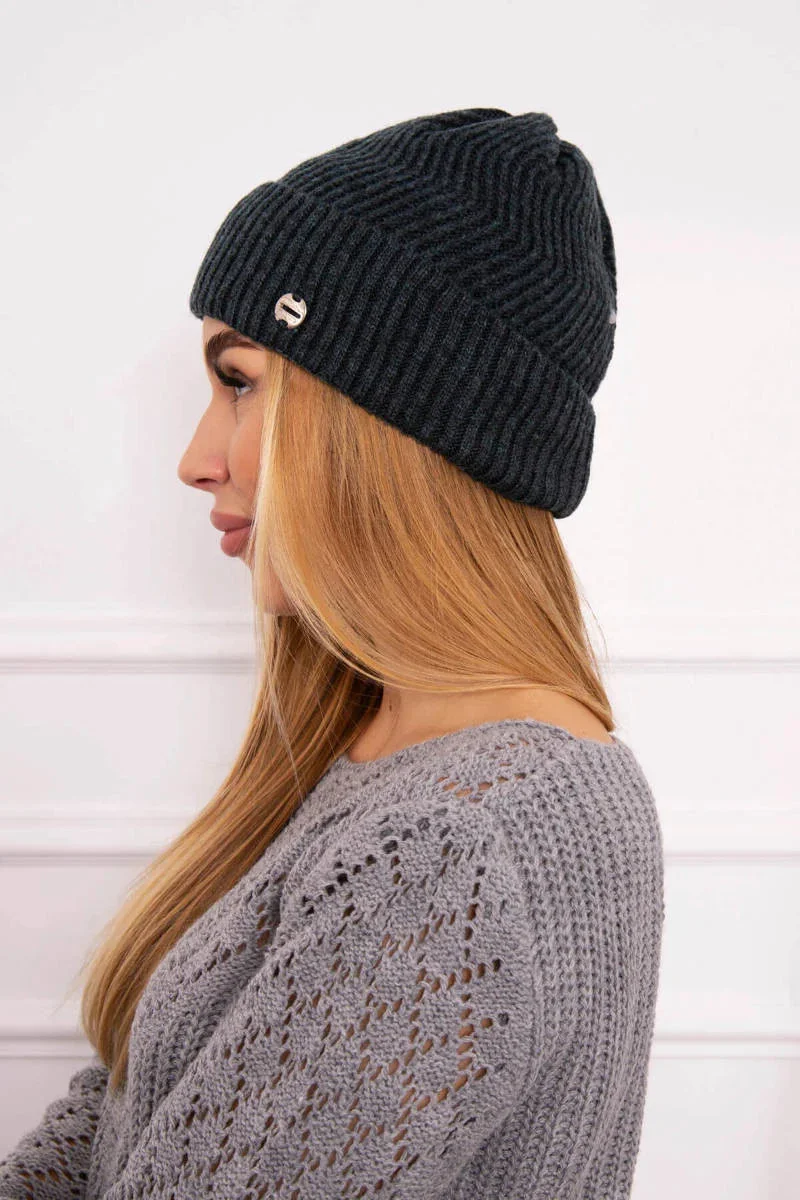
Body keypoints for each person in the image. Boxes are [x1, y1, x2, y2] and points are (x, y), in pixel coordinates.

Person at [0, 107, 665, 1200]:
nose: (194, 458)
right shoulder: (383, 754)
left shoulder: (453, 839)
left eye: (240, 380)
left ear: (393, 419)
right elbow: (128, 1107)